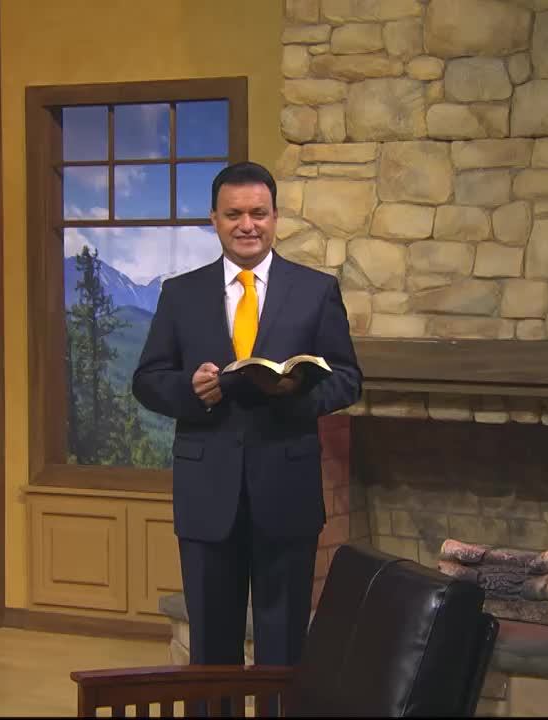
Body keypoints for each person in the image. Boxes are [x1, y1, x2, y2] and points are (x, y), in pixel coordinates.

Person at [132, 161, 363, 669]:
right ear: (214, 219)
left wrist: (294, 394)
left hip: (287, 492)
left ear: (275, 216)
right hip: (206, 496)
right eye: (234, 214)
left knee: (284, 652)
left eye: (258, 213)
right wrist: (192, 390)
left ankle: (278, 711)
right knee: (211, 653)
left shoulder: (315, 290)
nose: (247, 225)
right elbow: (147, 380)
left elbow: (348, 378)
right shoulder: (180, 293)